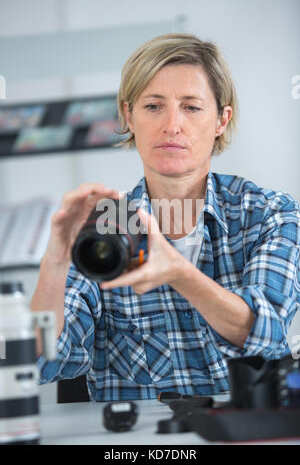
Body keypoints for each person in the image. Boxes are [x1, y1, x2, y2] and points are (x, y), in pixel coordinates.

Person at [32, 33, 300, 402]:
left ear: (221, 120)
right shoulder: (107, 223)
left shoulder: (269, 213)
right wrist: (55, 261)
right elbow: (44, 361)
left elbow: (266, 333)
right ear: (129, 115)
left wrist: (177, 271)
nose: (172, 125)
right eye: (154, 106)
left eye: (191, 107)